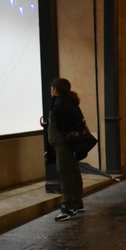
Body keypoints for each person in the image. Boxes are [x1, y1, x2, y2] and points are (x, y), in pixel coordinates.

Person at [47, 78, 85, 221]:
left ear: (55, 89)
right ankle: (77, 203)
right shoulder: (70, 101)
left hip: (64, 144)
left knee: (65, 173)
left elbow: (62, 123)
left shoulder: (61, 103)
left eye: (52, 88)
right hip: (69, 143)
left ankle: (68, 207)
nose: (51, 91)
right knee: (73, 172)